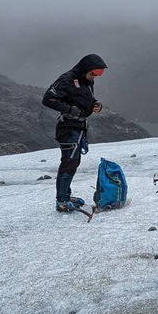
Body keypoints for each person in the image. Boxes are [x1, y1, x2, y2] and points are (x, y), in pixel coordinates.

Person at [41, 53, 107, 213]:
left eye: (96, 75)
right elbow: (48, 98)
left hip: (78, 127)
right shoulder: (67, 79)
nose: (94, 77)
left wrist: (95, 104)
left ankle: (65, 196)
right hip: (68, 128)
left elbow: (84, 99)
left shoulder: (87, 81)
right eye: (93, 73)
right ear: (85, 68)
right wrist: (69, 109)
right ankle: (62, 201)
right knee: (68, 163)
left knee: (73, 163)